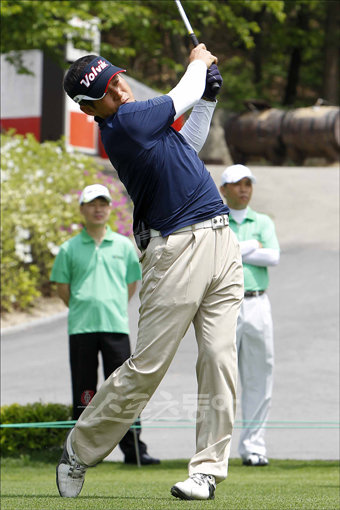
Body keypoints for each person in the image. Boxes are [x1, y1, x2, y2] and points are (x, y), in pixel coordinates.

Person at [57, 44, 244, 501]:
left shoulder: (146, 122)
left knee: (220, 358)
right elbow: (183, 90)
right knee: (148, 366)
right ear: (89, 108)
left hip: (221, 239)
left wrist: (209, 99)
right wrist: (199, 63)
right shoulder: (125, 125)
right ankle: (79, 449)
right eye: (106, 90)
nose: (119, 90)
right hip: (175, 249)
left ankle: (206, 471)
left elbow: (190, 142)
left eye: (117, 79)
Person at [50, 183, 159, 466]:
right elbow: (63, 288)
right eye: (92, 204)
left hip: (115, 326)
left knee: (125, 390)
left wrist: (110, 306)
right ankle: (79, 454)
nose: (98, 209)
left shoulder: (123, 246)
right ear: (82, 209)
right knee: (84, 392)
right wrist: (82, 306)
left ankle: (135, 450)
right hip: (81, 328)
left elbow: (130, 285)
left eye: (103, 204)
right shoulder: (68, 248)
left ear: (109, 208)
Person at [219, 164, 280, 466]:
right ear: (224, 189)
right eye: (236, 184)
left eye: (248, 183)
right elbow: (216, 256)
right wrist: (252, 246)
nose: (243, 189)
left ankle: (254, 447)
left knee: (259, 376)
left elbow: (274, 256)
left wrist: (237, 249)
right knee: (220, 378)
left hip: (257, 303)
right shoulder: (216, 221)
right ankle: (216, 451)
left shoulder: (263, 220)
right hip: (224, 305)